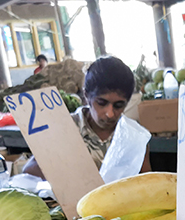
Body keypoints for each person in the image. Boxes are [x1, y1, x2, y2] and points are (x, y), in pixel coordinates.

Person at [23, 56, 151, 179]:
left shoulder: (133, 136)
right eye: (101, 103)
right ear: (87, 96)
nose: (110, 114)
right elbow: (30, 169)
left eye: (119, 105)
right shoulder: (65, 127)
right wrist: (75, 173)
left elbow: (147, 181)